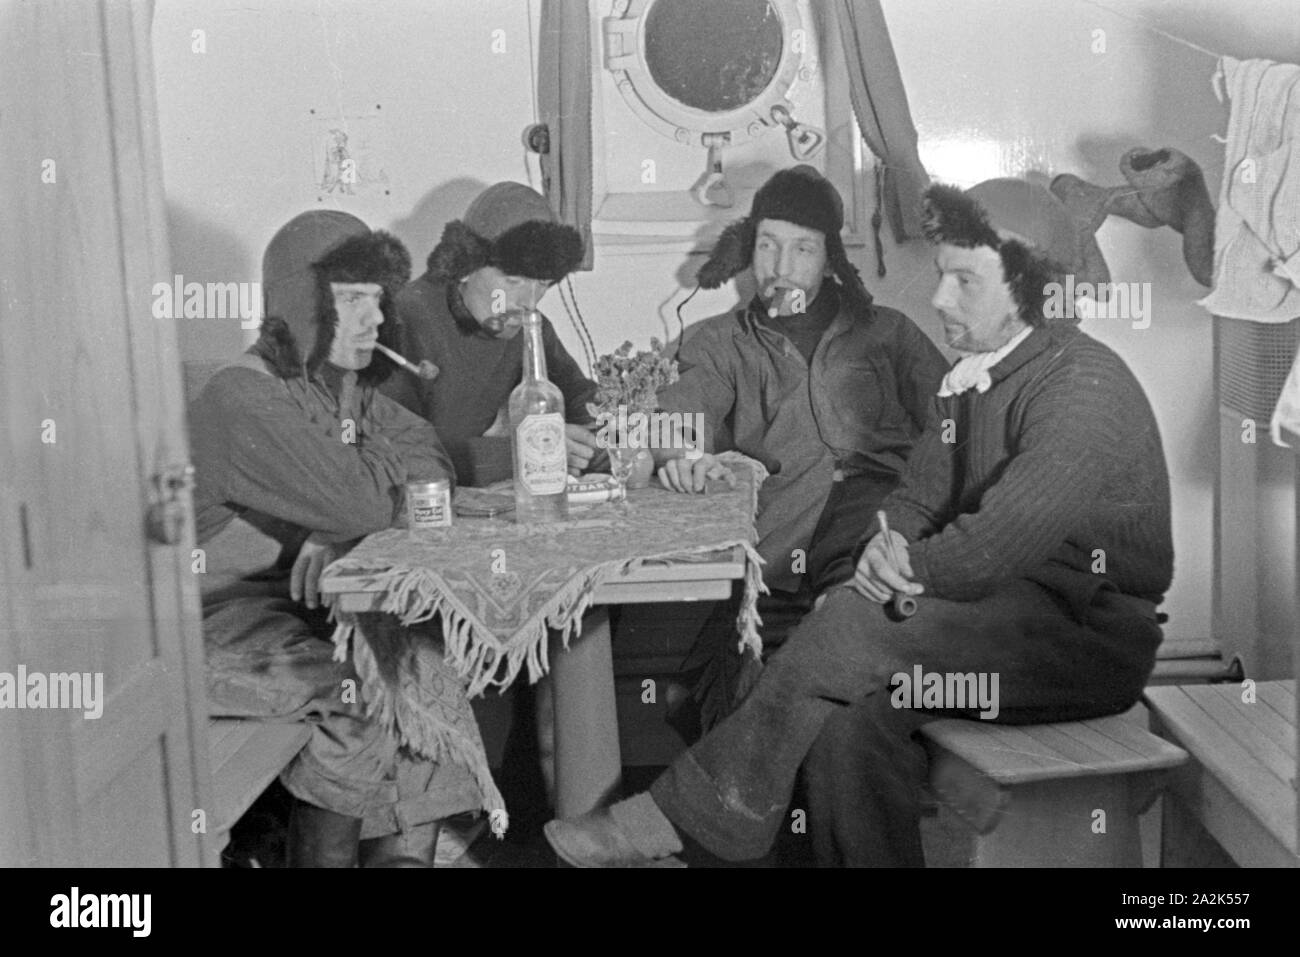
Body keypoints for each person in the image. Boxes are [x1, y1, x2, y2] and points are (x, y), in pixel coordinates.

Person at [544, 177, 1174, 867]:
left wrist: (895, 573)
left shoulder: (1083, 385)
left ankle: (673, 817)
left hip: (1084, 639)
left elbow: (996, 543)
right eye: (943, 277)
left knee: (851, 622)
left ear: (1032, 286)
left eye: (965, 280)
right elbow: (919, 491)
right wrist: (886, 543)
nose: (938, 298)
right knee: (847, 722)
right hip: (994, 621)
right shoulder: (977, 377)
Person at [190, 210, 487, 867]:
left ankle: (398, 858)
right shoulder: (241, 399)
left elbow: (429, 460)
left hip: (276, 622)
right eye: (353, 299)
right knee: (365, 684)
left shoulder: (323, 388)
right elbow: (361, 498)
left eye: (377, 300)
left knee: (416, 655)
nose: (374, 319)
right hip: (199, 639)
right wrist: (349, 512)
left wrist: (341, 526)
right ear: (306, 299)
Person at [645, 165, 948, 723]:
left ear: (830, 256)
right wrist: (682, 459)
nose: (781, 269)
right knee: (731, 696)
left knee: (850, 666)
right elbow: (674, 420)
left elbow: (956, 424)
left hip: (881, 534)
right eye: (767, 245)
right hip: (781, 563)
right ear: (747, 249)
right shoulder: (719, 342)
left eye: (802, 250)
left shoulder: (889, 332)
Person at [382, 182, 602, 486]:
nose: (529, 302)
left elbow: (582, 399)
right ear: (465, 268)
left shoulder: (527, 325)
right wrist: (522, 452)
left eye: (543, 284)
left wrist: (645, 439)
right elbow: (392, 454)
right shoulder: (405, 320)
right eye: (513, 280)